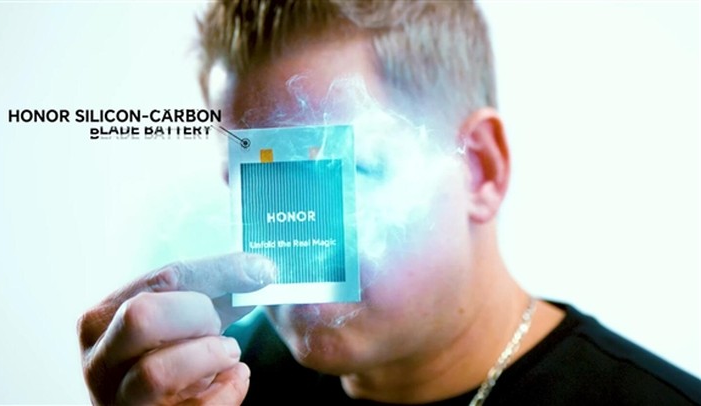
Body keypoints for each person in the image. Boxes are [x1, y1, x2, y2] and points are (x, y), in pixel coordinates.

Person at [77, 1, 701, 405]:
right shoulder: (213, 386)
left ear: (479, 168)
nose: (303, 257)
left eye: (351, 172)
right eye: (261, 180)